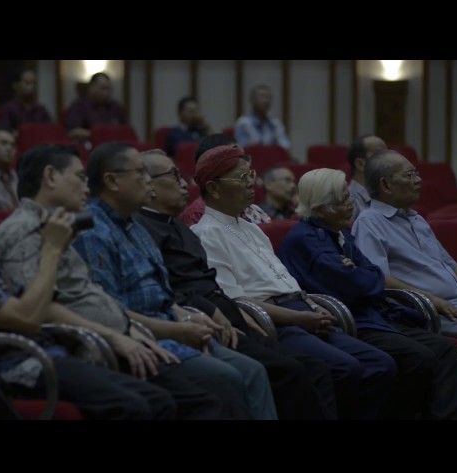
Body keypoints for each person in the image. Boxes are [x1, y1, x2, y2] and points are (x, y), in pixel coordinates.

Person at [0, 160, 235, 420]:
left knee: (170, 398)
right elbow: (27, 316)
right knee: (149, 403)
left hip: (63, 347)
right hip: (19, 365)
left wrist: (126, 330)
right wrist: (52, 250)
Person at [0, 143, 253, 419]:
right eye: (79, 178)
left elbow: (91, 295)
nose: (86, 187)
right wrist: (123, 335)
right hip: (80, 348)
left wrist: (136, 330)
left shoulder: (59, 226)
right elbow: (41, 308)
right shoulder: (23, 231)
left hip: (120, 336)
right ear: (51, 177)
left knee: (215, 386)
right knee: (203, 394)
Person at [190, 143, 398, 420]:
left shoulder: (252, 228)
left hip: (302, 310)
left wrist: (310, 304)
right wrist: (298, 318)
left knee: (381, 363)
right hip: (274, 320)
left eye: (251, 175)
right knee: (344, 368)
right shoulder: (205, 233)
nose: (253, 184)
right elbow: (235, 300)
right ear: (214, 189)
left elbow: (283, 280)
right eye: (242, 178)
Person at [71, 141, 277, 420]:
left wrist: (189, 318)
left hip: (174, 323)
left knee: (253, 371)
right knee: (226, 378)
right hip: (141, 338)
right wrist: (177, 329)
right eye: (140, 174)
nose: (148, 183)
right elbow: (109, 309)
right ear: (112, 181)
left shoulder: (135, 226)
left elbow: (162, 293)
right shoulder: (94, 231)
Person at [135, 148, 338, 420]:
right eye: (174, 176)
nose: (184, 184)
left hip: (233, 313)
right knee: (290, 370)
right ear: (148, 185)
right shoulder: (148, 229)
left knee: (310, 366)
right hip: (206, 318)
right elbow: (179, 290)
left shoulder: (180, 227)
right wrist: (227, 313)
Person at [278, 168, 457, 419]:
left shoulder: (340, 231)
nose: (351, 205)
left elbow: (371, 272)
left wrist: (358, 272)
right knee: (419, 357)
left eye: (349, 197)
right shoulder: (304, 239)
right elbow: (360, 284)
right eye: (343, 200)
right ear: (321, 209)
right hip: (350, 320)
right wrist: (358, 273)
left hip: (374, 312)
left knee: (444, 349)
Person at [351, 149, 457, 420]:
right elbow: (378, 278)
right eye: (410, 174)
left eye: (416, 173)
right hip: (431, 312)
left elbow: (452, 265)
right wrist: (433, 299)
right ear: (385, 184)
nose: (418, 179)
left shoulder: (416, 219)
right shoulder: (370, 223)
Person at [178, 133, 272, 226]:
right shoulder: (198, 216)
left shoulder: (251, 208)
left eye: (242, 156)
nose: (251, 183)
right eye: (234, 158)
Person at [64, 72, 127, 142]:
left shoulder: (115, 107)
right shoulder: (79, 106)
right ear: (91, 87)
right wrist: (98, 135)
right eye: (103, 89)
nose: (107, 93)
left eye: (109, 89)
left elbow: (125, 131)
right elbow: (73, 132)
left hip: (115, 146)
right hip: (89, 147)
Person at [234, 85, 291, 150]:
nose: (266, 101)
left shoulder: (275, 123)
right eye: (262, 97)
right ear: (252, 100)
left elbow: (286, 148)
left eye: (268, 97)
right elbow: (242, 150)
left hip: (274, 159)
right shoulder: (243, 123)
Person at [0, 68, 53, 134]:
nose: (31, 87)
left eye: (34, 83)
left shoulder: (41, 109)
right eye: (27, 83)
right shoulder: (8, 108)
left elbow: (51, 130)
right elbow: (5, 132)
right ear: (15, 85)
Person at [348, 134, 387, 222]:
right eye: (380, 154)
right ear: (360, 164)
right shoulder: (349, 201)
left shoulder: (385, 196)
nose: (389, 160)